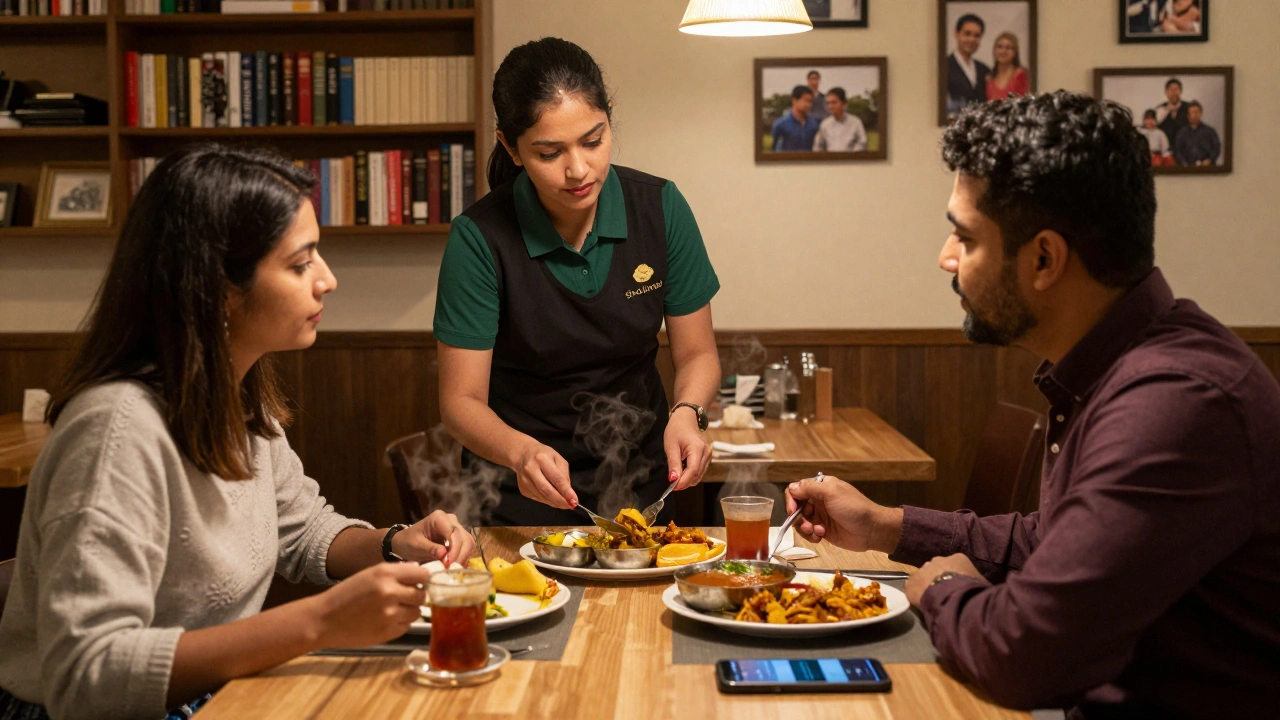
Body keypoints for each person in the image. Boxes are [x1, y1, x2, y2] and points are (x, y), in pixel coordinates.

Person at [786, 92, 1280, 718]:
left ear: (1044, 258)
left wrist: (941, 585)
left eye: (964, 236)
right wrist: (888, 527)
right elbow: (1056, 540)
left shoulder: (1176, 401)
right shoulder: (1123, 369)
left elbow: (1024, 655)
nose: (945, 257)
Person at [0, 144, 476, 720]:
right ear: (220, 289)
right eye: (301, 264)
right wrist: (320, 620)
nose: (328, 280)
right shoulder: (116, 432)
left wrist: (392, 544)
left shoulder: (239, 398)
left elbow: (301, 533)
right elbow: (85, 674)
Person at [434, 38, 720, 527]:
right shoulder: (479, 238)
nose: (579, 170)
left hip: (643, 483)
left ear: (610, 117)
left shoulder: (660, 207)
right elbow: (461, 402)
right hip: (519, 490)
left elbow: (697, 354)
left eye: (593, 140)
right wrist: (520, 452)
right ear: (511, 147)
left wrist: (687, 412)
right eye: (549, 152)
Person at [946, 13, 989, 116]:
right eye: (967, 34)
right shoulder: (944, 66)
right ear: (957, 34)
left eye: (976, 35)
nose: (972, 39)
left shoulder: (984, 69)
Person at [812, 87, 867, 152]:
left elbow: (862, 142)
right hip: (831, 161)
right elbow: (818, 146)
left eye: (834, 103)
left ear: (844, 104)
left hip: (851, 160)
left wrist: (850, 156)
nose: (830, 106)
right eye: (828, 103)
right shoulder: (825, 124)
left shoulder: (856, 122)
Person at [771, 85, 819, 151]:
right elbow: (776, 150)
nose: (809, 105)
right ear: (794, 100)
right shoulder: (781, 125)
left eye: (811, 101)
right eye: (806, 101)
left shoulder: (813, 125)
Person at [1173, 101, 1221, 166]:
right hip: (1187, 169)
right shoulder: (1181, 133)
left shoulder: (1210, 131)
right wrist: (1184, 164)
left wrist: (1210, 160)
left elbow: (1216, 148)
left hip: (1207, 168)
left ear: (1201, 113)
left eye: (1197, 112)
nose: (1195, 115)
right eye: (1192, 112)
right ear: (1188, 115)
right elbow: (1177, 151)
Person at [984, 32, 1028, 101]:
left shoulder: (1019, 74)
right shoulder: (989, 78)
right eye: (999, 47)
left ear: (1015, 52)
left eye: (1008, 48)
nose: (1003, 51)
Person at [1155, 78, 1190, 147]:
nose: (1173, 93)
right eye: (1171, 90)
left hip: (1185, 149)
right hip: (1166, 151)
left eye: (1176, 90)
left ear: (1180, 91)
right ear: (1166, 92)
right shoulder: (1160, 109)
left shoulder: (1188, 108)